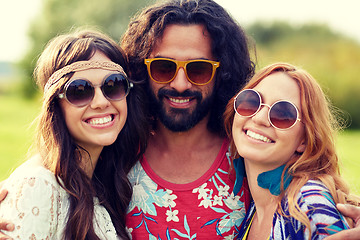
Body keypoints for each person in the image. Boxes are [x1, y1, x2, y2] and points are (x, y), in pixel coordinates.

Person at [120, 0, 254, 238]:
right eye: (163, 67)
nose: (180, 84)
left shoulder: (249, 159)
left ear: (223, 74)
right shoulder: (117, 155)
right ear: (141, 69)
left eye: (198, 69)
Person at [0, 29, 148, 239]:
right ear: (56, 105)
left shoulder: (105, 181)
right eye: (80, 91)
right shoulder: (38, 187)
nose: (101, 102)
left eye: (113, 85)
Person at [223, 62, 360, 239]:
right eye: (251, 101)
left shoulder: (309, 202)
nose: (259, 118)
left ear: (303, 141)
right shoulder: (254, 206)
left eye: (283, 114)